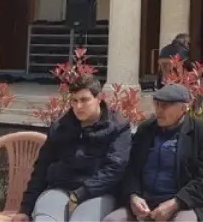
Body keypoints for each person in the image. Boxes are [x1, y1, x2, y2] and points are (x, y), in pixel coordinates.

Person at [15, 75, 131, 222]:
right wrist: (25, 209)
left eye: (84, 100)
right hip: (59, 189)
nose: (78, 107)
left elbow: (114, 168)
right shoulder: (61, 126)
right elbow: (41, 168)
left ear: (99, 98)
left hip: (98, 194)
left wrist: (81, 193)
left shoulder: (118, 127)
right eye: (74, 101)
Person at [103, 84, 203, 222]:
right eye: (157, 105)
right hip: (144, 203)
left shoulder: (201, 133)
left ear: (183, 108)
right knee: (112, 220)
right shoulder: (146, 129)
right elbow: (130, 168)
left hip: (181, 204)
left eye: (164, 106)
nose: (158, 111)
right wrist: (133, 196)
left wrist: (175, 203)